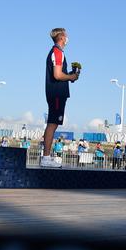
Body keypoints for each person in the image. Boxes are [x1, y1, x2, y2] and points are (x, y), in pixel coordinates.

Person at [40, 28, 79, 167]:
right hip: (56, 93)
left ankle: (46, 157)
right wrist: (71, 77)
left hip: (55, 92)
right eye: (66, 35)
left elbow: (59, 74)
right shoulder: (58, 52)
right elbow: (57, 75)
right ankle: (45, 158)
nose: (67, 38)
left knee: (53, 124)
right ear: (61, 37)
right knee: (52, 124)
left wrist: (69, 76)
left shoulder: (56, 52)